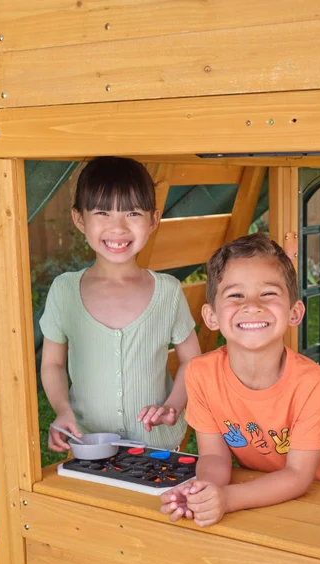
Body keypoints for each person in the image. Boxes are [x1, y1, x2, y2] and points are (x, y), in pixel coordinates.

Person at [160, 233, 320, 528]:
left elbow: (298, 475)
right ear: (211, 316)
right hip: (258, 490)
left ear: (294, 312)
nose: (252, 305)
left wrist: (227, 499)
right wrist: (204, 492)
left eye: (268, 293)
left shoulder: (311, 381)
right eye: (235, 295)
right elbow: (214, 457)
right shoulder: (200, 374)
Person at [40, 157, 201, 452]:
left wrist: (173, 406)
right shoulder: (64, 291)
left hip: (158, 447)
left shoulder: (167, 291)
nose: (118, 227)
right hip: (89, 446)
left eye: (133, 213)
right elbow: (53, 363)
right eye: (102, 212)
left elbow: (192, 361)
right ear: (79, 219)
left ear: (153, 220)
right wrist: (63, 410)